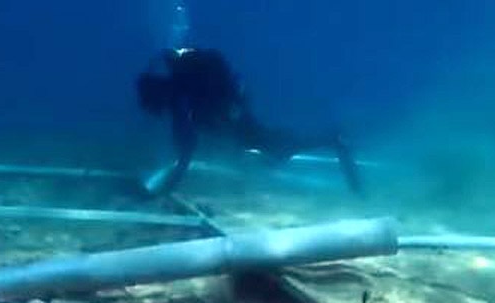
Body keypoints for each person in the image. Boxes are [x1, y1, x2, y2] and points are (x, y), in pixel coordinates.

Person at [136, 47, 364, 196]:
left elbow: (186, 144)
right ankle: (326, 139)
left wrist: (166, 186)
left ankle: (331, 137)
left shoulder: (180, 88)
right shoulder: (181, 82)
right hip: (227, 109)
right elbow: (186, 136)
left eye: (155, 104)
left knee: (270, 146)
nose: (159, 110)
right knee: (261, 145)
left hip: (229, 111)